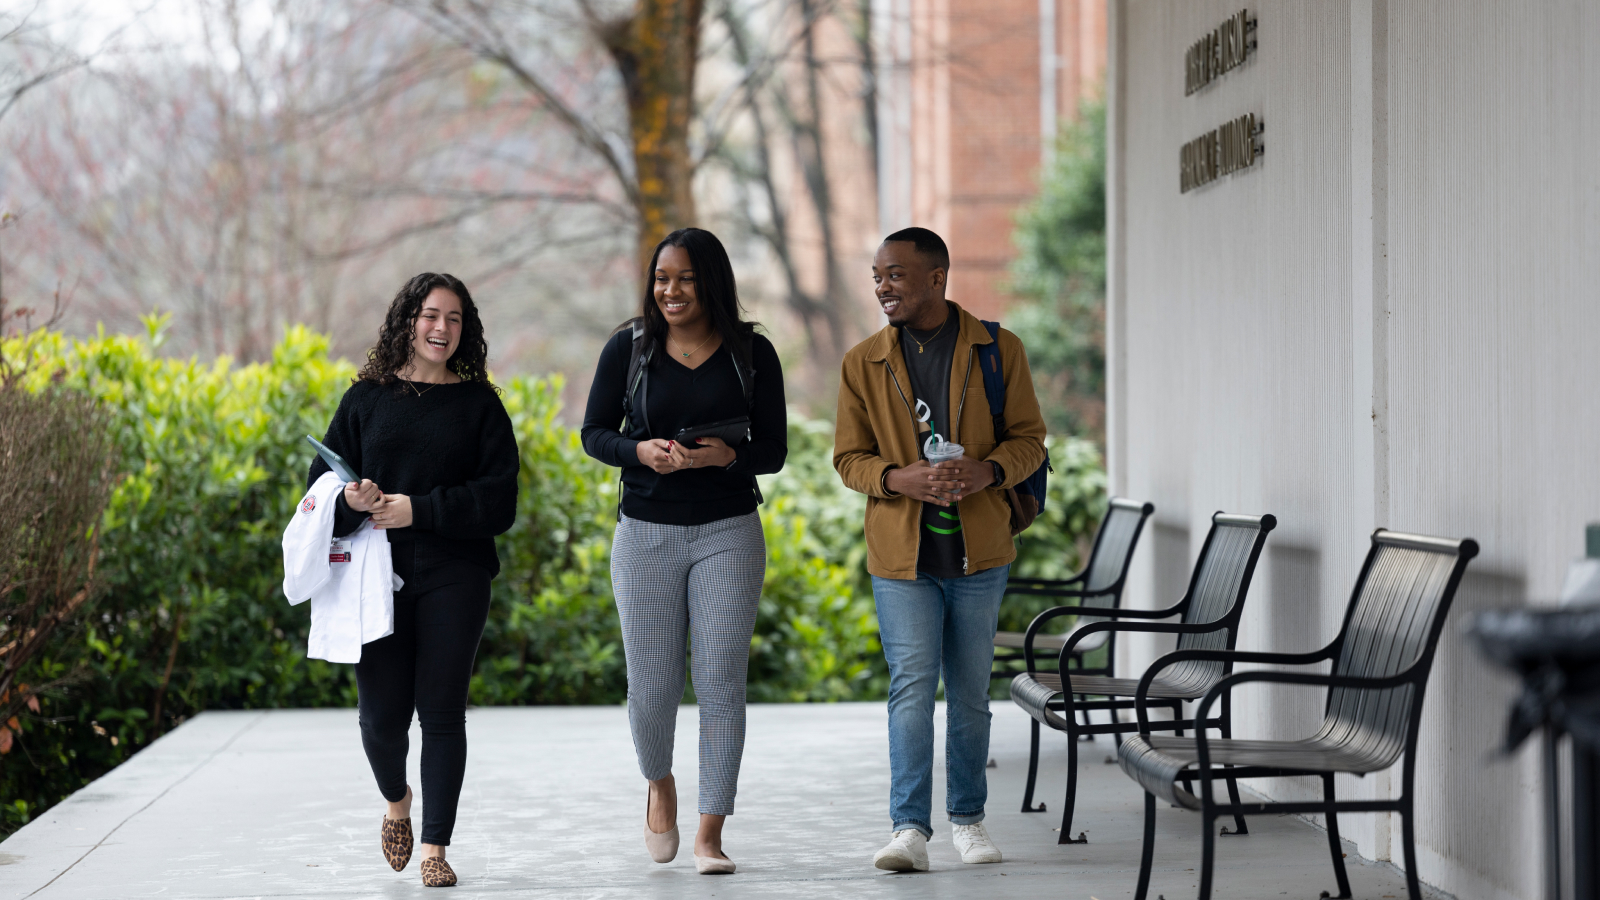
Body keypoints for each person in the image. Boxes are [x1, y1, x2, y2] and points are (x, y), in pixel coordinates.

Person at [833, 227, 1047, 872]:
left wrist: (986, 471)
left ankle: (970, 821)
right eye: (876, 276)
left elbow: (1030, 440)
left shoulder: (996, 348)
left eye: (895, 275)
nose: (882, 287)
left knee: (971, 694)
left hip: (980, 551)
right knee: (910, 690)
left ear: (937, 277)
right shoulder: (862, 361)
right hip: (902, 557)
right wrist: (901, 478)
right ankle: (908, 831)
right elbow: (848, 458)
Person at [581, 227, 787, 875]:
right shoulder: (629, 348)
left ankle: (710, 832)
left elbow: (774, 451)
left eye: (686, 279)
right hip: (644, 532)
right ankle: (660, 785)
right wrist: (639, 451)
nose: (670, 291)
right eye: (662, 279)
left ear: (712, 282)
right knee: (652, 685)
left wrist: (731, 456)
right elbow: (593, 434)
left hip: (728, 529)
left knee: (722, 678)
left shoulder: (752, 352)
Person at [309, 272, 519, 888]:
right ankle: (397, 800)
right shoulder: (366, 399)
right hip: (377, 576)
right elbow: (318, 493)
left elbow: (499, 501)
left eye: (454, 319)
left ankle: (434, 848)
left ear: (466, 330)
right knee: (379, 718)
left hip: (456, 573)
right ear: (407, 320)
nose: (441, 329)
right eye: (431, 315)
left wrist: (418, 510)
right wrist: (352, 501)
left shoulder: (480, 405)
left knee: (443, 711)